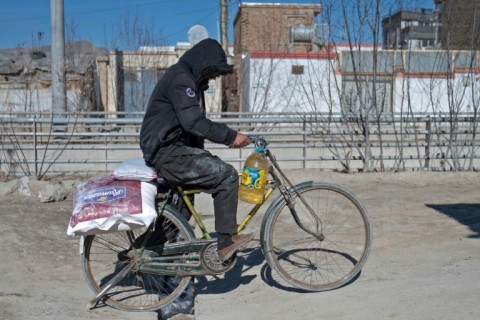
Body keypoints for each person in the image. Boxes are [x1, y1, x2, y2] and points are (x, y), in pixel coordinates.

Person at [139, 38, 254, 260]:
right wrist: (231, 136)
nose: (210, 77)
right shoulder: (182, 80)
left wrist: (204, 156)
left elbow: (191, 129)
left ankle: (140, 253)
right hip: (167, 153)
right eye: (210, 72)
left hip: (170, 150)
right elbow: (193, 123)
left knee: (181, 212)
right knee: (227, 176)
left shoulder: (185, 78)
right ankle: (226, 241)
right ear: (203, 63)